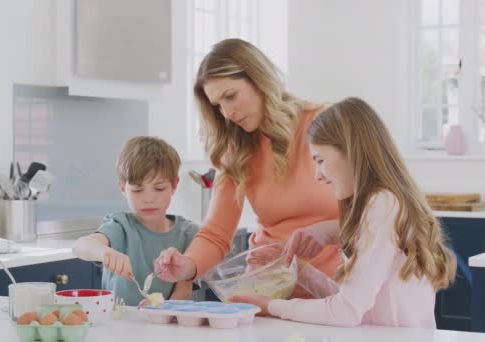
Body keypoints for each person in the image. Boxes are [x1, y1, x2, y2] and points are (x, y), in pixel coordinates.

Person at [231, 97, 457, 328]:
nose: (318, 175)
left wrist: (272, 306)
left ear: (351, 151)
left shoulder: (383, 204)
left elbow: (345, 312)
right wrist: (298, 268)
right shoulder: (381, 203)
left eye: (320, 160)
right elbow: (351, 303)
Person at [154, 39, 341, 296]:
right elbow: (216, 233)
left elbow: (384, 214)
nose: (228, 113)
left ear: (258, 78)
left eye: (231, 96)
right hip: (269, 293)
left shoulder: (327, 123)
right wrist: (187, 265)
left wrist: (328, 231)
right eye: (218, 106)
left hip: (338, 295)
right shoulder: (236, 150)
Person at [73, 136, 199, 306]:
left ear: (174, 185)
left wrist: (161, 310)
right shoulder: (120, 226)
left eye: (159, 188)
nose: (148, 199)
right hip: (119, 327)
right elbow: (81, 245)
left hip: (168, 327)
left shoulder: (188, 234)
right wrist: (105, 253)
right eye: (138, 190)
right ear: (123, 188)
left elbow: (184, 291)